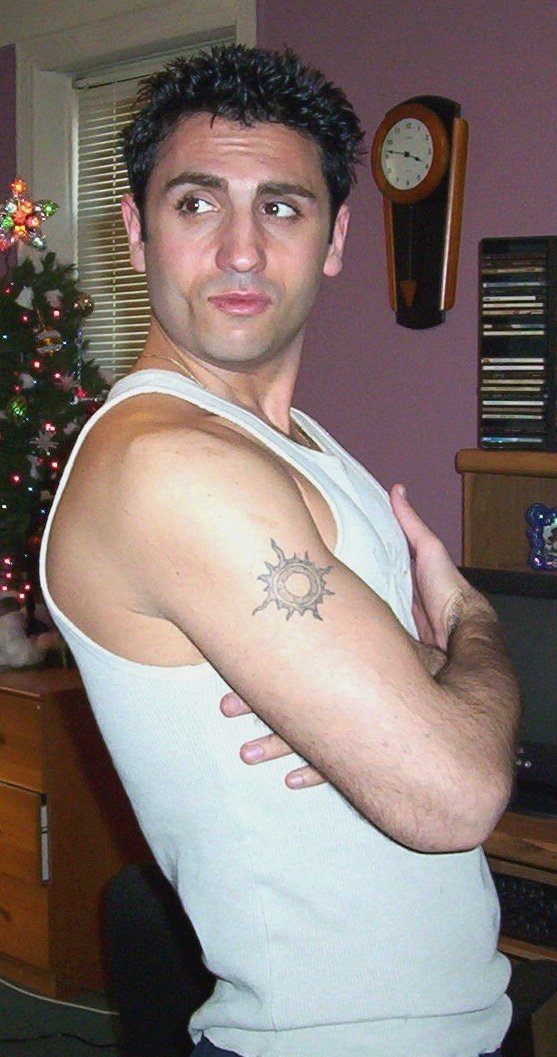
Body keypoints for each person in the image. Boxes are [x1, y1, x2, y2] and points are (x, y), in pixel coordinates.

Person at [39, 44, 519, 1057]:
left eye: (283, 207)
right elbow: (451, 794)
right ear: (135, 231)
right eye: (196, 204)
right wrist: (471, 622)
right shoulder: (169, 463)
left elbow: (420, 716)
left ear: (335, 237)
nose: (242, 251)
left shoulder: (294, 444)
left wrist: (396, 697)